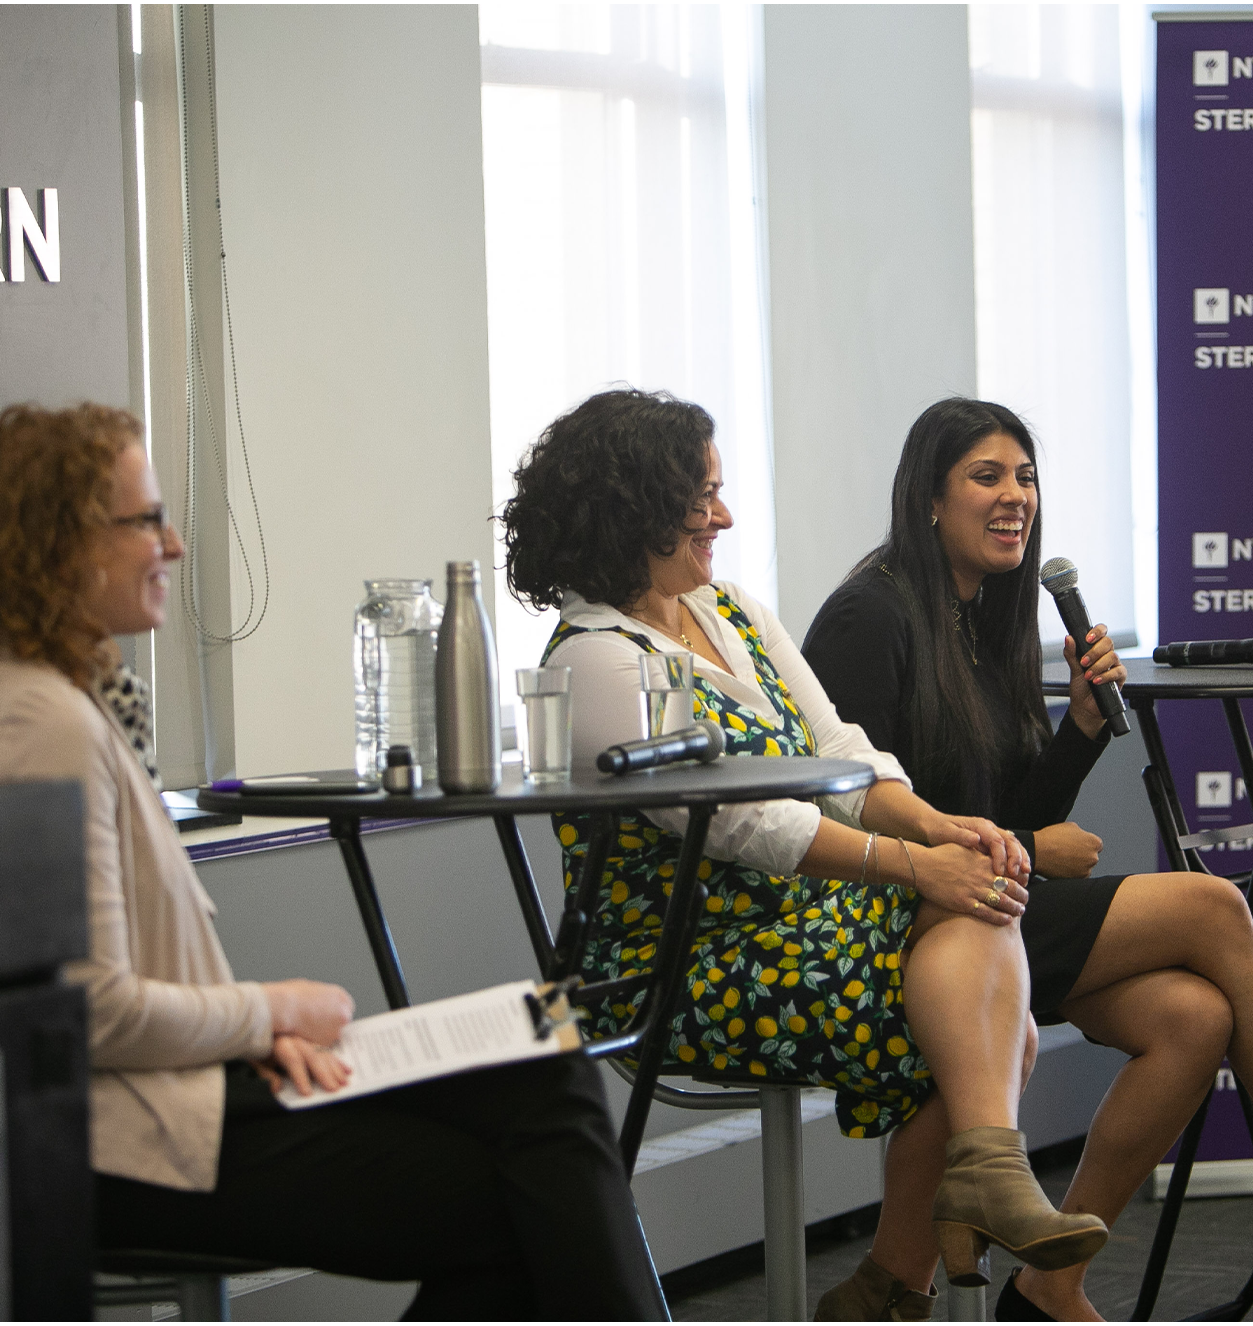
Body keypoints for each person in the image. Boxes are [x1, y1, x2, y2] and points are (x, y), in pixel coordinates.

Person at [0, 402, 668, 1322]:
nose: (177, 546)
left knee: (542, 1056)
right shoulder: (41, 721)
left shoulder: (69, 702)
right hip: (131, 1143)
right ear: (58, 540)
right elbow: (84, 1016)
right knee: (527, 1187)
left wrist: (254, 1030)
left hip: (197, 1093)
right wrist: (268, 1012)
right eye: (146, 519)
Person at [500, 386, 1109, 1311]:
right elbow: (744, 824)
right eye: (701, 496)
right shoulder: (591, 660)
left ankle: (933, 1234)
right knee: (995, 1009)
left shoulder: (728, 608)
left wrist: (939, 829)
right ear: (633, 506)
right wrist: (916, 862)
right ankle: (942, 1227)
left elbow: (838, 749)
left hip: (802, 922)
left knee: (975, 909)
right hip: (688, 961)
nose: (724, 516)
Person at [803, 396, 1253, 1323]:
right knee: (1215, 913)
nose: (1015, 497)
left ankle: (1046, 1290)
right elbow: (848, 802)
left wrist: (1081, 731)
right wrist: (1026, 848)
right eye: (986, 476)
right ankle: (897, 1289)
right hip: (905, 917)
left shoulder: (988, 616)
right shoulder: (870, 616)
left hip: (988, 908)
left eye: (1026, 477)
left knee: (1190, 1015)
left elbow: (1012, 812)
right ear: (928, 497)